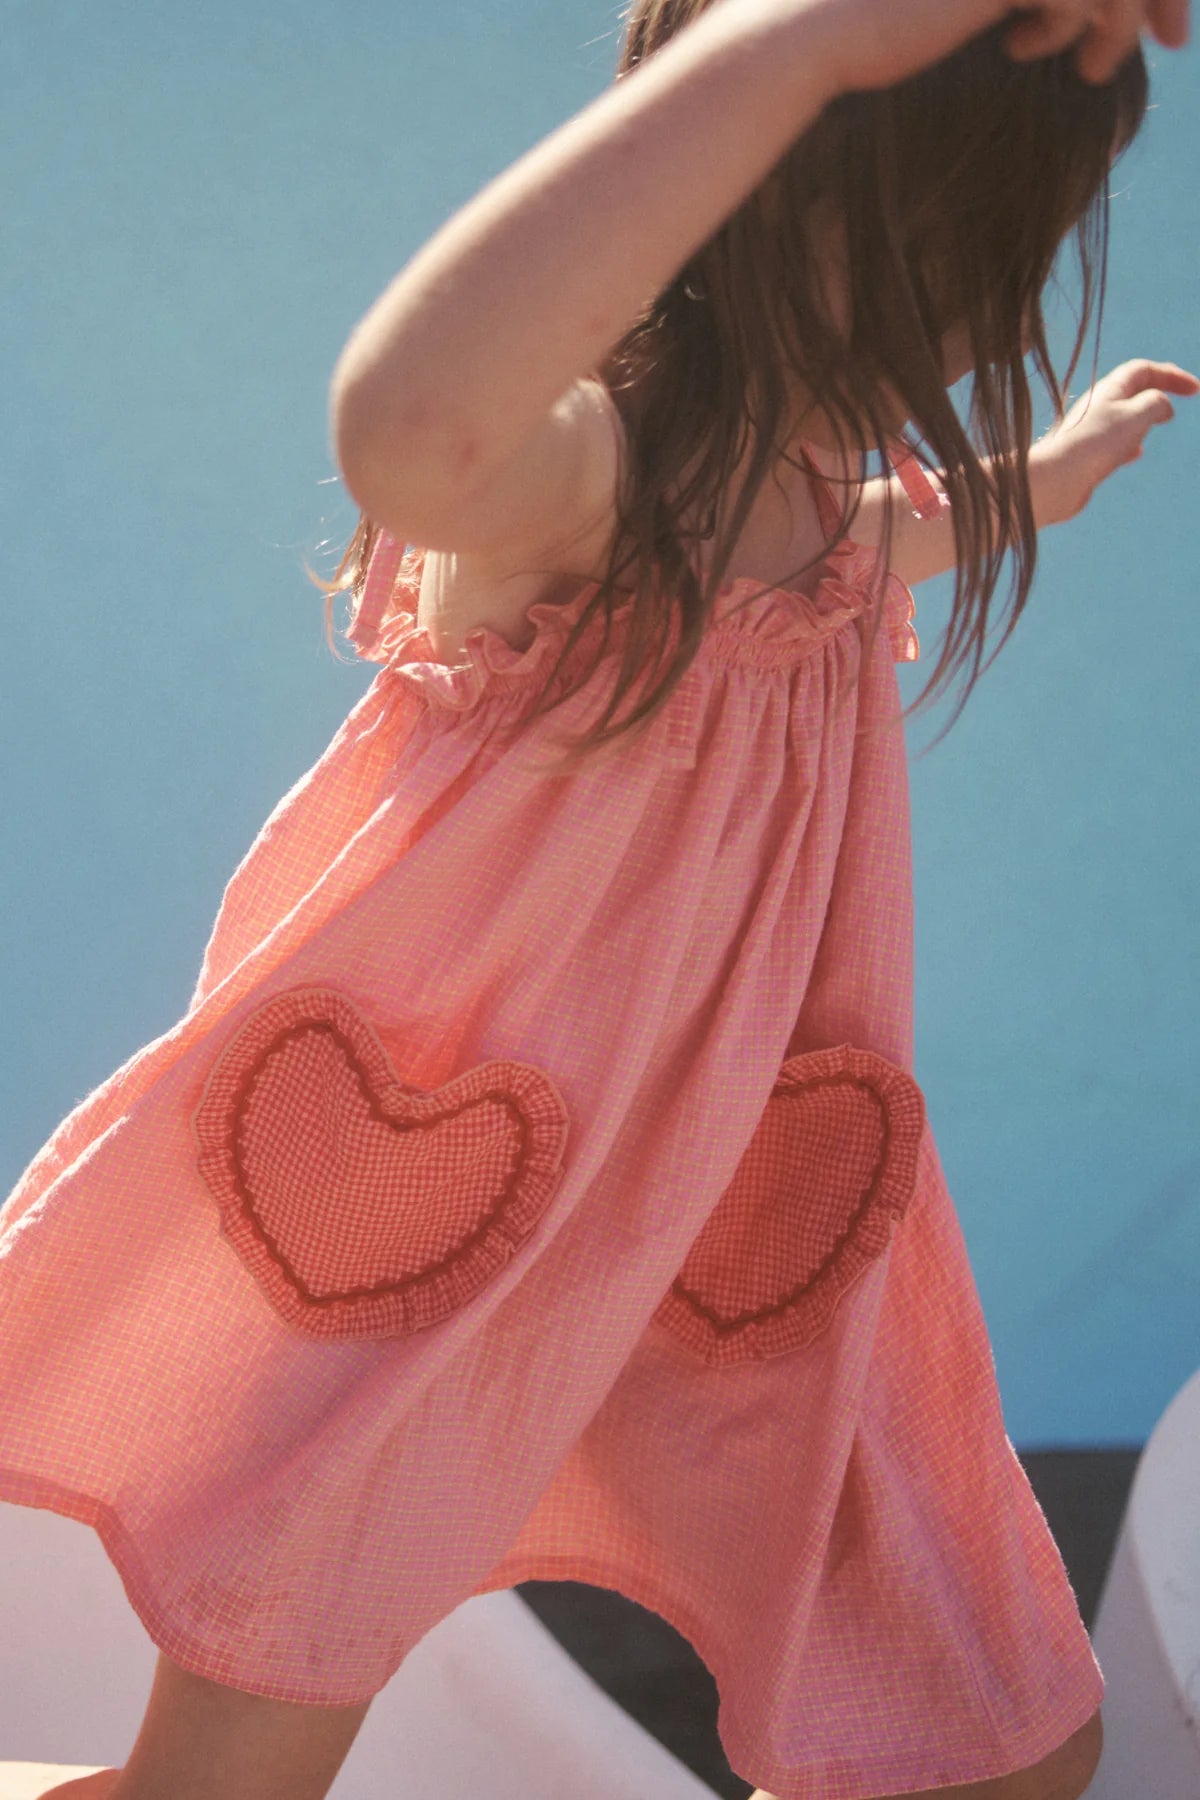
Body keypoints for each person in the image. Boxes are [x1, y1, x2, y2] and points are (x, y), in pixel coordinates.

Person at [3, 1, 1195, 1797]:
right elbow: (412, 415)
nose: (985, 317)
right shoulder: (576, 489)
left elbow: (866, 535)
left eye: (1009, 255)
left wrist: (1037, 479)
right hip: (454, 1226)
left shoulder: (796, 495)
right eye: (958, 244)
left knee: (1015, 1734)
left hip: (747, 1206)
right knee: (228, 1773)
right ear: (763, 176)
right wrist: (786, 51)